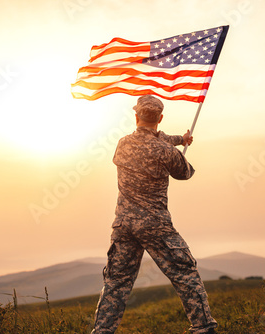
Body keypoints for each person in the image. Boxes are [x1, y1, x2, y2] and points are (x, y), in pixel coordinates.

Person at [91, 95, 218, 334]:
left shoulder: (123, 144)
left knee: (116, 282)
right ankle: (203, 327)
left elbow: (152, 138)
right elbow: (184, 173)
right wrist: (179, 149)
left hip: (124, 225)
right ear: (160, 118)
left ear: (136, 115)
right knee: (184, 272)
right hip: (155, 224)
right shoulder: (165, 151)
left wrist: (181, 139)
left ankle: (102, 331)